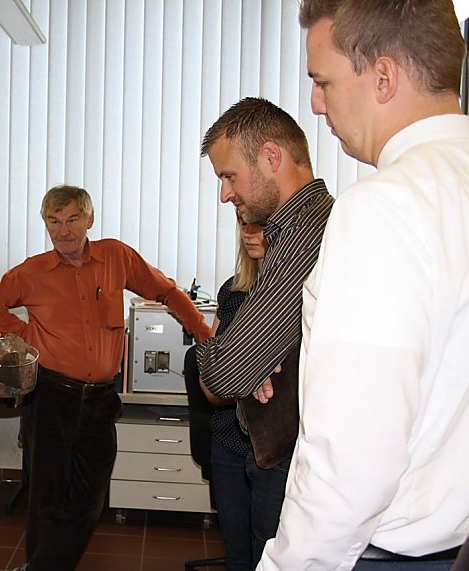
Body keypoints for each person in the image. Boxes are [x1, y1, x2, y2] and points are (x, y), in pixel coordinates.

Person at [257, 1, 469, 569]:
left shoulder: (384, 209)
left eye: (323, 81)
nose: (315, 103)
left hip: (383, 553)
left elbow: (351, 465)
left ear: (383, 76)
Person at [0, 185, 212, 571]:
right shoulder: (32, 272)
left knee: (90, 496)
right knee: (48, 497)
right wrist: (26, 335)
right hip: (52, 396)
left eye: (71, 220)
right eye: (54, 222)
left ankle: (42, 567)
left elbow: (167, 291)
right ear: (46, 224)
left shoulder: (115, 256)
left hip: (101, 398)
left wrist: (204, 335)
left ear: (89, 220)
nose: (63, 231)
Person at [197, 97, 334, 565]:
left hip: (297, 460)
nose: (225, 194)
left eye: (229, 175)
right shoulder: (293, 232)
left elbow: (223, 375)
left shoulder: (306, 232)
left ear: (271, 157)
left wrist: (221, 354)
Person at [205, 219, 267, 571]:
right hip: (228, 436)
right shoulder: (232, 291)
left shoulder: (298, 291)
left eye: (259, 227)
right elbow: (212, 361)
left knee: (267, 550)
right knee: (237, 554)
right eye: (244, 225)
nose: (249, 233)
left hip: (270, 445)